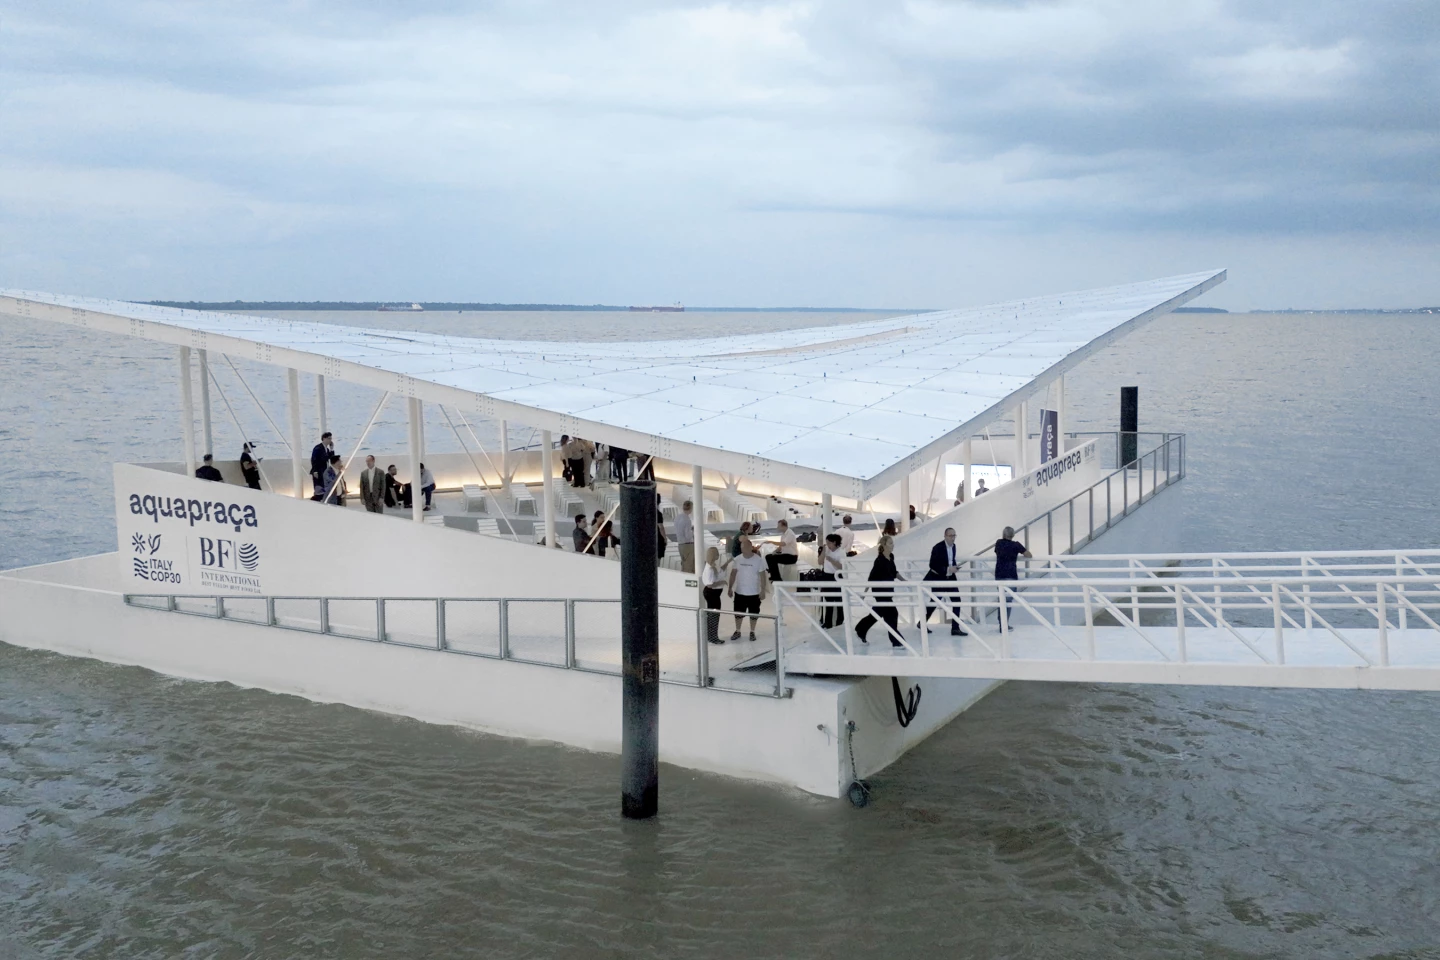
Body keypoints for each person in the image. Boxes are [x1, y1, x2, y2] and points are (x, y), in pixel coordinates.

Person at [854, 535, 904, 646]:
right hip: (880, 591)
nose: (893, 545)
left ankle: (861, 628)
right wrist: (865, 593)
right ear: (884, 545)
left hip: (888, 591)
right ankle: (897, 641)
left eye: (892, 543)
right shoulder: (879, 560)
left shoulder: (891, 557)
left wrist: (904, 581)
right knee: (892, 614)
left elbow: (894, 572)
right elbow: (871, 577)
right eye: (890, 543)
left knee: (879, 613)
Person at [921, 527, 968, 637]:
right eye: (951, 536)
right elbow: (932, 565)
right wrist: (947, 569)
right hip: (939, 577)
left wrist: (954, 567)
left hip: (950, 577)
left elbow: (951, 559)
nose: (953, 538)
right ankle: (922, 622)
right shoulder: (937, 548)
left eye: (954, 536)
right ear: (945, 536)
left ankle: (955, 628)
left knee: (957, 600)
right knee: (935, 601)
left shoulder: (954, 546)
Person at [727, 536, 768, 642]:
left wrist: (763, 590)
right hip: (740, 592)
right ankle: (738, 630)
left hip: (754, 593)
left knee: (754, 614)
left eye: (744, 547)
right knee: (738, 613)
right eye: (741, 548)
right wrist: (730, 587)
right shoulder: (737, 559)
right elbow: (733, 574)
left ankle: (752, 631)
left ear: (750, 547)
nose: (742, 550)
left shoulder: (758, 560)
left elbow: (763, 576)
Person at [993, 526, 1032, 630]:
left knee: (1001, 599)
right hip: (1011, 575)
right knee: (1008, 601)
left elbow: (997, 552)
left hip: (1000, 575)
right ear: (1013, 535)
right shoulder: (1016, 545)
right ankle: (1004, 624)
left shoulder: (999, 543)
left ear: (1003, 534)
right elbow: (1029, 555)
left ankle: (1001, 622)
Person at [817, 533, 845, 629]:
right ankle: (827, 622)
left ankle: (839, 622)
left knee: (838, 600)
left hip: (836, 576)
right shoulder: (826, 550)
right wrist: (824, 551)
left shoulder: (841, 552)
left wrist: (832, 560)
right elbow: (820, 562)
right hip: (826, 575)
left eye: (829, 543)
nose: (828, 545)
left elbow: (842, 566)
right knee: (828, 600)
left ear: (834, 542)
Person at [701, 546, 726, 644]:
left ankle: (711, 635)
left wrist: (727, 563)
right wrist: (722, 582)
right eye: (716, 554)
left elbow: (719, 572)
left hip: (713, 594)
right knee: (714, 615)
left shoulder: (711, 566)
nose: (718, 555)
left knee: (712, 615)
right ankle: (713, 636)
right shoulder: (710, 569)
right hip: (712, 594)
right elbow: (710, 584)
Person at [765, 518, 798, 582]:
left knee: (772, 559)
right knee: (768, 556)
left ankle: (777, 578)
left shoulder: (790, 534)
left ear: (783, 526)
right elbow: (780, 547)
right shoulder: (783, 534)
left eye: (779, 526)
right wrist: (774, 552)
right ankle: (774, 575)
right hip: (785, 554)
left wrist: (771, 542)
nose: (777, 527)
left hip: (791, 557)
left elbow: (783, 544)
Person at [310, 432, 333, 499]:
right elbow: (314, 459)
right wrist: (315, 471)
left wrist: (331, 449)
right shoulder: (318, 448)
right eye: (328, 438)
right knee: (319, 487)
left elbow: (330, 458)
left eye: (331, 439)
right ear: (324, 438)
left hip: (324, 470)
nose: (330, 440)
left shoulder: (327, 449)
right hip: (318, 470)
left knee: (324, 487)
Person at [676, 500, 696, 573]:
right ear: (691, 508)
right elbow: (688, 536)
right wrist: (693, 531)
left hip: (680, 544)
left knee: (684, 565)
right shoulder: (687, 520)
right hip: (687, 545)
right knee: (689, 567)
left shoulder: (678, 517)